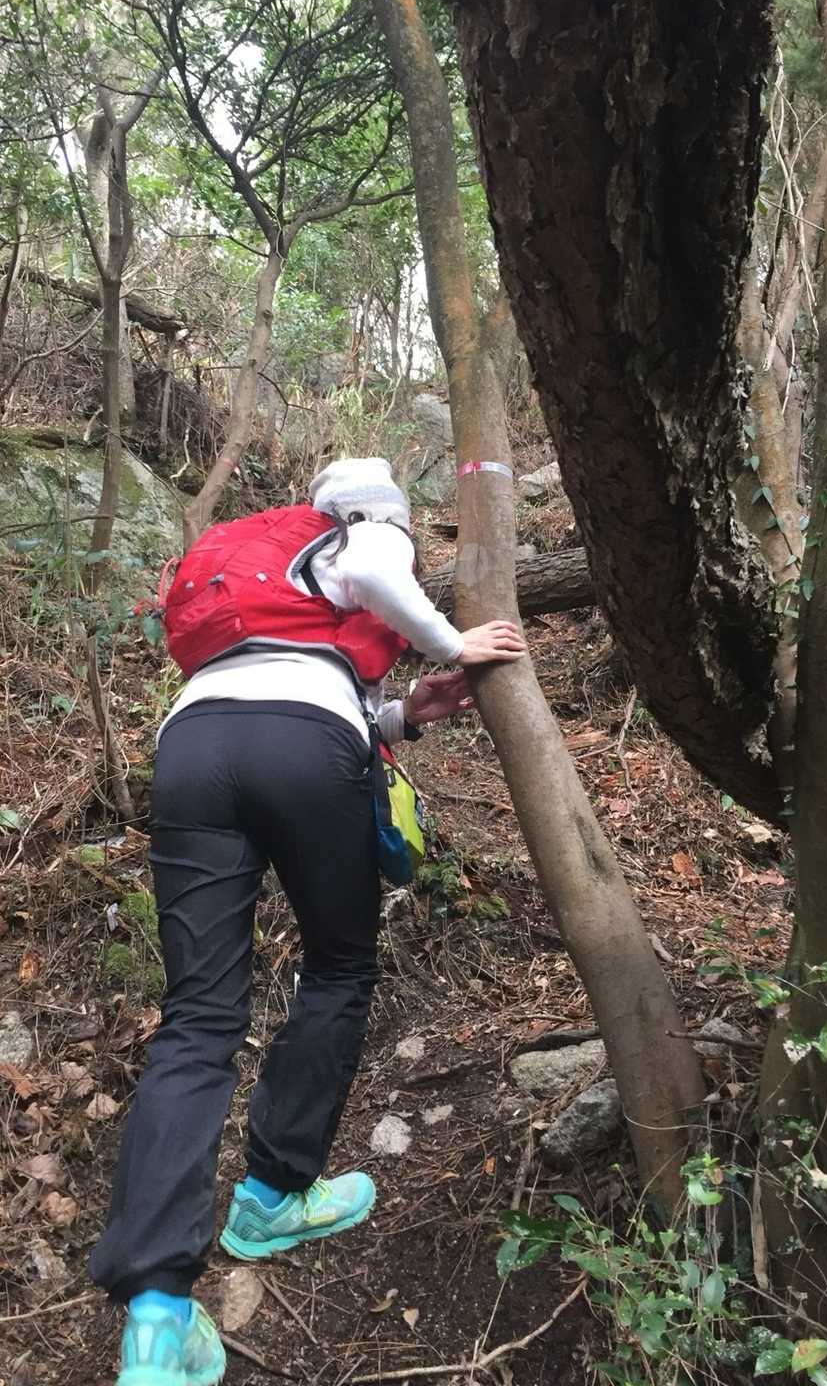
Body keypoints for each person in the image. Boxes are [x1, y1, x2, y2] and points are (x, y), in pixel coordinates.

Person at [91, 458, 525, 1386]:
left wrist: (403, 716)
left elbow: (279, 678)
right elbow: (363, 587)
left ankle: (157, 1313)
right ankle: (273, 1197)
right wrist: (454, 644)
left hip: (192, 746)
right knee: (338, 966)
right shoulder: (363, 531)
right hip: (302, 742)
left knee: (198, 1017)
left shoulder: (257, 560)